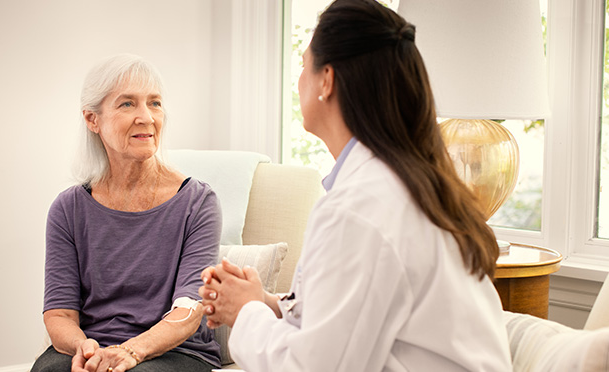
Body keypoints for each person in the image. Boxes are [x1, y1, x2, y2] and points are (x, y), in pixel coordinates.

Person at [199, 0, 512, 371]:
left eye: (303, 65)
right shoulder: (404, 185)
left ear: (326, 80)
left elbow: (315, 367)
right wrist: (267, 302)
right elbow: (353, 317)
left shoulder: (361, 207)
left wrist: (246, 312)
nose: (299, 79)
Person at [31, 54, 222, 372]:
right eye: (127, 104)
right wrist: (84, 348)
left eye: (155, 103)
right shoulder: (68, 209)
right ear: (93, 120)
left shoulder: (197, 202)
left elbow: (190, 308)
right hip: (93, 344)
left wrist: (132, 351)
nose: (146, 117)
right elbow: (60, 313)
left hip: (174, 351)